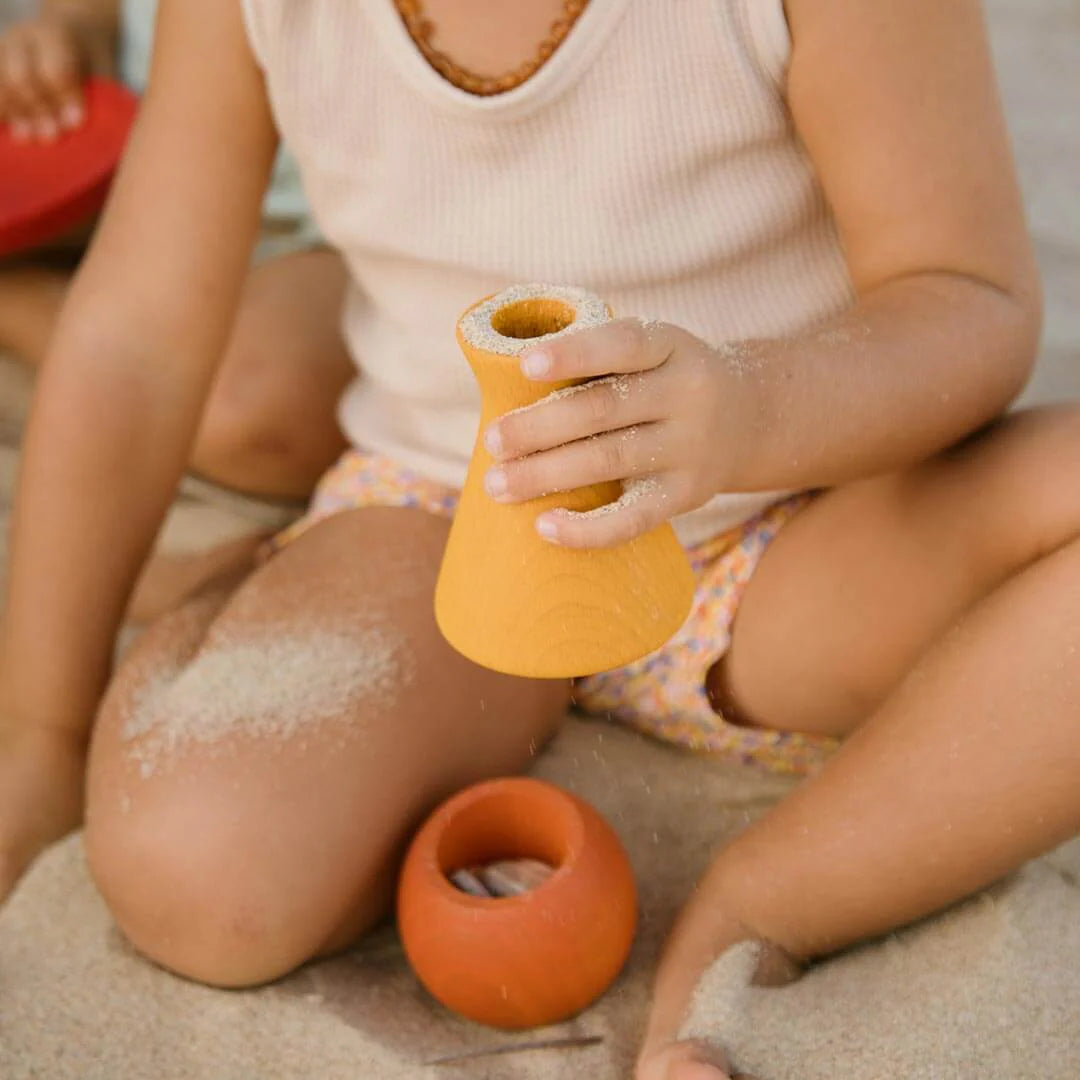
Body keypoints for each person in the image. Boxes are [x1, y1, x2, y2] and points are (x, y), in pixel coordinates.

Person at [1, 2, 1078, 1078]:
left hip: (788, 531)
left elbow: (967, 299)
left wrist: (751, 410)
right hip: (446, 525)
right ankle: (251, 589)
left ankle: (764, 903)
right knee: (202, 878)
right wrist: (43, 728)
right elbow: (137, 342)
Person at [0, 0, 351, 500]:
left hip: (337, 235)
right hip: (121, 139)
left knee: (248, 405)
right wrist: (75, 29)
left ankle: (17, 296)